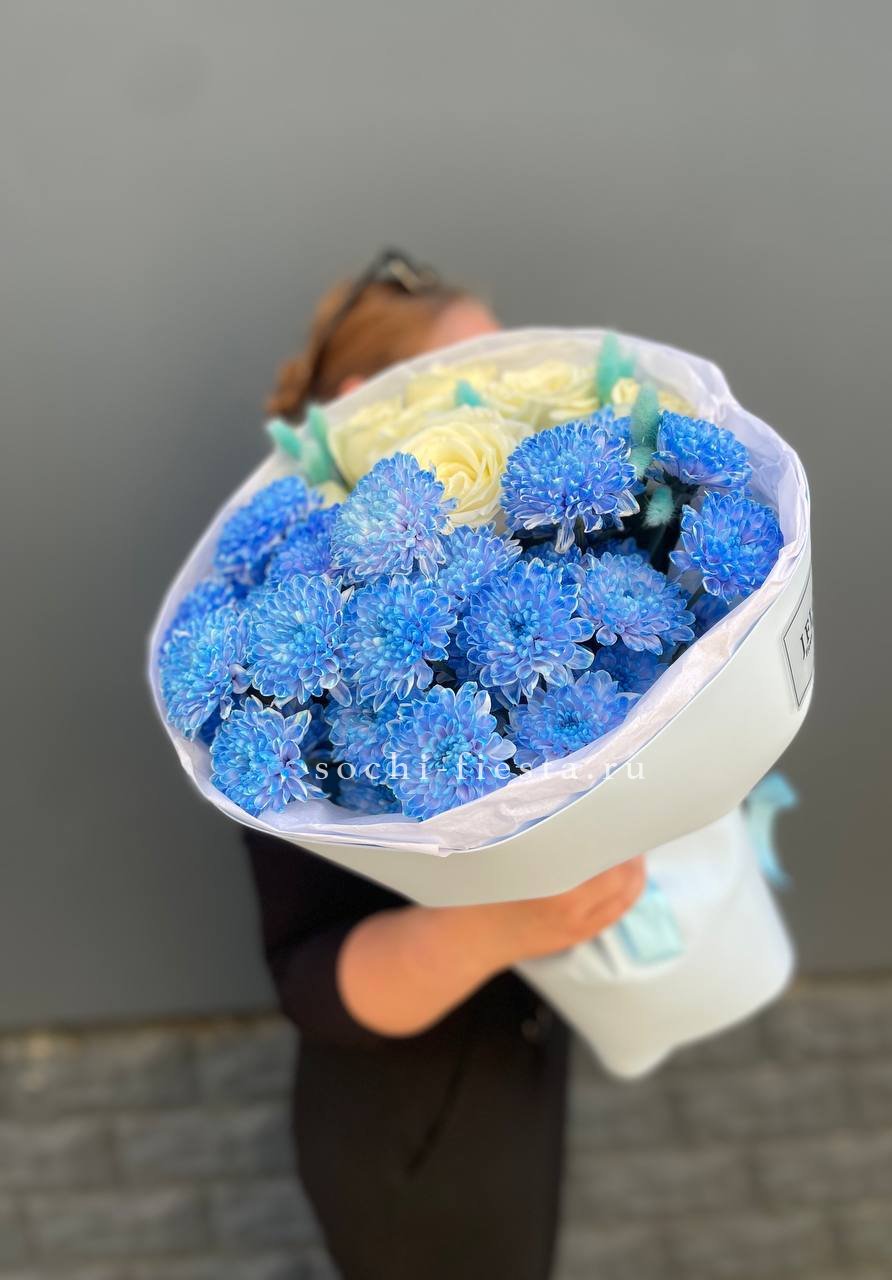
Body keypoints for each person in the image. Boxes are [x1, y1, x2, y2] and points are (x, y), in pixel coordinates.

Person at [246, 250, 646, 1280]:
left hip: (522, 1058)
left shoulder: (544, 562)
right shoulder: (293, 654)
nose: (495, 405)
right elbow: (310, 980)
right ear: (368, 405)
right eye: (471, 378)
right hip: (415, 1131)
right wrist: (506, 924)